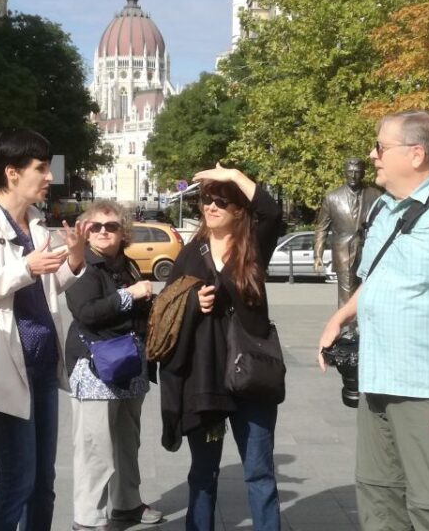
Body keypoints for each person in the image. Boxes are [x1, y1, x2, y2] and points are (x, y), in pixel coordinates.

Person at [318, 110, 429, 530]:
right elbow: (374, 279)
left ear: (416, 154)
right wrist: (341, 315)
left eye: (380, 147)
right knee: (379, 501)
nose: (372, 155)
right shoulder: (383, 210)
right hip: (376, 384)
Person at [0, 128, 87, 531]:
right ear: (12, 172)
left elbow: (44, 288)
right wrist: (25, 268)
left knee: (43, 483)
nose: (49, 177)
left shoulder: (37, 224)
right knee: (16, 480)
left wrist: (73, 262)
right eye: (41, 168)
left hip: (43, 368)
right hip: (5, 368)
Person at [159, 163, 283, 531]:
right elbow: (165, 304)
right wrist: (193, 302)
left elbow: (271, 212)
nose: (211, 207)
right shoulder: (191, 253)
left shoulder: (253, 247)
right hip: (206, 378)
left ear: (239, 211)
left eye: (221, 202)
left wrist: (233, 177)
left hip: (252, 375)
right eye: (206, 201)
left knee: (259, 471)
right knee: (203, 472)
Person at [64, 200, 163, 531]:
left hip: (130, 366)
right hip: (96, 369)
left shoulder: (127, 264)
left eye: (112, 226)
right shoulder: (82, 265)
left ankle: (126, 504)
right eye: (96, 226)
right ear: (85, 231)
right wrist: (130, 295)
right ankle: (89, 519)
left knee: (127, 442)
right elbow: (86, 312)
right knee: (95, 448)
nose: (103, 231)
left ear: (123, 232)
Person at [313, 158, 381, 307]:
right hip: (343, 252)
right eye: (350, 172)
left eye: (357, 172)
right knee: (347, 295)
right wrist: (318, 254)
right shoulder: (332, 198)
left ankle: (363, 321)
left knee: (370, 293)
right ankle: (347, 322)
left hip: (369, 251)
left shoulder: (376, 195)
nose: (353, 176)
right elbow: (322, 228)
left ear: (363, 173)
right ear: (344, 173)